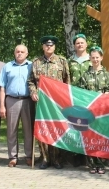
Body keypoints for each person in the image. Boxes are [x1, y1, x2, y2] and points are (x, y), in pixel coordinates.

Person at [28, 35, 70, 169]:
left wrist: (66, 99)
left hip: (57, 103)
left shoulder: (62, 61)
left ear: (54, 46)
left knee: (57, 128)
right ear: (43, 46)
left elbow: (67, 81)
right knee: (43, 128)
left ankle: (57, 159)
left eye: (51, 45)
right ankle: (45, 158)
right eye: (46, 45)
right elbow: (30, 81)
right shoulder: (36, 62)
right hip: (42, 102)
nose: (49, 47)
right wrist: (33, 92)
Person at [0, 45, 34, 167]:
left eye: (22, 52)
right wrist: (2, 105)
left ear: (26, 53)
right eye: (17, 51)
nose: (19, 53)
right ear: (14, 53)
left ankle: (29, 156)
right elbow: (2, 87)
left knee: (28, 130)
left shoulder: (32, 66)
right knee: (11, 130)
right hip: (11, 100)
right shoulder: (7, 66)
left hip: (27, 101)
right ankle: (13, 157)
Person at [79, 46, 109, 174]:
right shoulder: (85, 75)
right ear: (89, 58)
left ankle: (101, 164)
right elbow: (81, 92)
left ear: (101, 58)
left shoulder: (106, 74)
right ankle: (91, 164)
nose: (95, 60)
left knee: (101, 136)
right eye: (92, 57)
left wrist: (105, 96)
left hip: (102, 111)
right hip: (89, 111)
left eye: (97, 57)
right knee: (90, 136)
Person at [67, 33, 91, 166]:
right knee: (75, 127)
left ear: (86, 44)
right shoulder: (70, 61)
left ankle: (88, 156)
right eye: (77, 43)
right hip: (75, 99)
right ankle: (76, 156)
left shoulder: (92, 59)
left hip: (89, 99)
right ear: (74, 46)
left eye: (82, 42)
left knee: (88, 127)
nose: (80, 45)